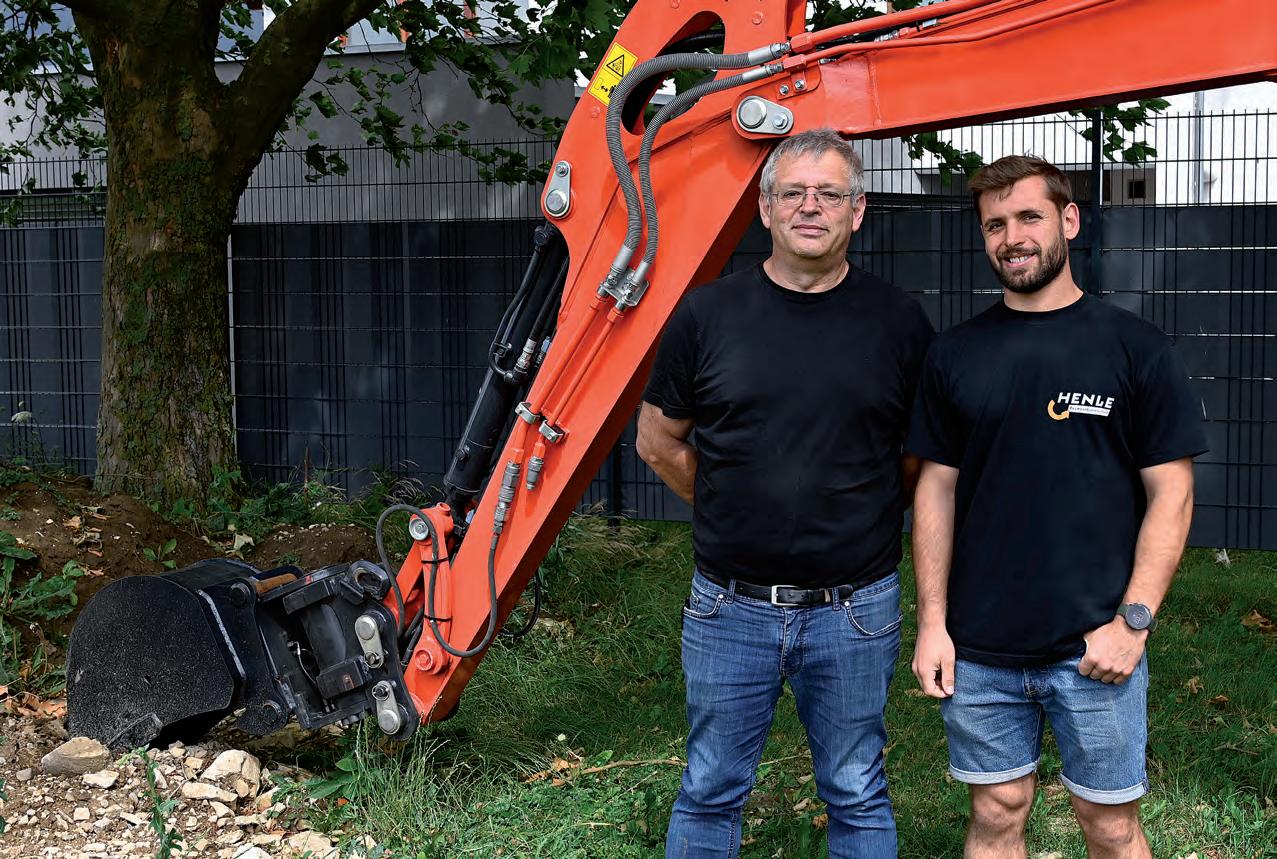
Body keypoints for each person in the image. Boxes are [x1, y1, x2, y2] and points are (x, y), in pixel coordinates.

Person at [637, 128, 934, 859]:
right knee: (709, 788)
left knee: (856, 789)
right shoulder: (706, 315)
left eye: (829, 193)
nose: (810, 206)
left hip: (855, 608)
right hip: (728, 606)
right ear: (765, 208)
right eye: (792, 192)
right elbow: (657, 440)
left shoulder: (899, 322)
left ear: (856, 211)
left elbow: (917, 458)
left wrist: (857, 512)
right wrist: (731, 506)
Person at [907, 155, 1206, 859]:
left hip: (1095, 646)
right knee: (996, 812)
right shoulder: (954, 354)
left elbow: (1173, 493)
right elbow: (934, 489)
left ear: (1068, 220)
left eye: (1028, 217)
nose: (1012, 237)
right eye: (994, 225)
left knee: (1110, 825)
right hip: (980, 647)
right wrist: (931, 624)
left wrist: (1132, 623)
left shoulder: (1134, 348)